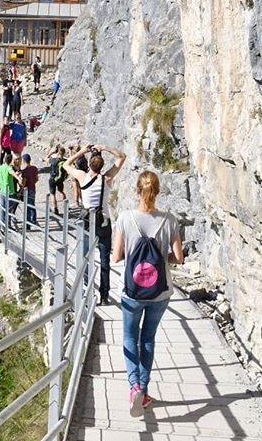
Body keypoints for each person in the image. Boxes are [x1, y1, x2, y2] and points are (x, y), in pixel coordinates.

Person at [112, 171, 183, 416]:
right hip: (160, 293)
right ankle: (143, 388)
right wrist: (160, 256)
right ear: (158, 191)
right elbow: (179, 258)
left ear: (136, 191)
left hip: (131, 292)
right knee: (149, 340)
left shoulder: (125, 218)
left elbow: (117, 256)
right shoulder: (170, 220)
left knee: (130, 338)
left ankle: (134, 387)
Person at [64, 143, 126, 305]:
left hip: (87, 220)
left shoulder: (82, 177)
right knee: (105, 260)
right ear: (102, 165)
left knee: (86, 257)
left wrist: (82, 151)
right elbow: (121, 157)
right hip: (104, 221)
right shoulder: (107, 179)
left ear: (89, 164)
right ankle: (104, 295)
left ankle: (86, 291)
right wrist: (106, 147)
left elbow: (66, 164)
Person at [0, 153, 20, 231]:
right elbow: (14, 175)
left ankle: (3, 226)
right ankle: (8, 225)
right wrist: (19, 178)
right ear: (11, 160)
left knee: (3, 209)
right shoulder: (9, 168)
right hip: (10, 192)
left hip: (2, 191)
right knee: (9, 209)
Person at [16, 153, 39, 226]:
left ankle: (28, 224)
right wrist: (33, 182)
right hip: (33, 188)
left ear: (24, 161)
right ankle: (34, 219)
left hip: (27, 190)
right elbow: (36, 179)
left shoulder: (24, 171)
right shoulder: (34, 168)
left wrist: (20, 190)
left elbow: (23, 183)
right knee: (32, 204)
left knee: (28, 207)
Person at [45, 145, 68, 215]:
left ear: (57, 152)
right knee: (61, 191)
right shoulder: (65, 161)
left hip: (52, 178)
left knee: (52, 194)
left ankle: (55, 208)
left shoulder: (54, 160)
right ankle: (66, 205)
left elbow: (46, 158)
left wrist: (51, 153)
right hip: (60, 179)